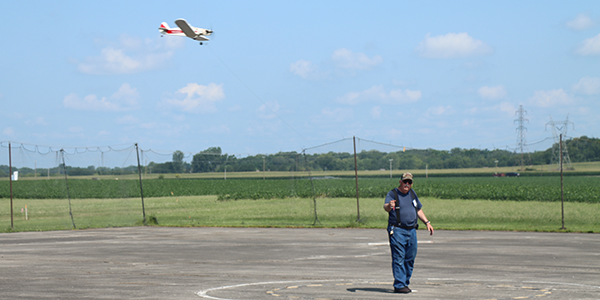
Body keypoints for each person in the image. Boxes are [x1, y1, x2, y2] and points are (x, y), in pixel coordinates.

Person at [383, 172, 434, 293]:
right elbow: (386, 207)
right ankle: (400, 285)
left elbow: (418, 210)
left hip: (411, 230)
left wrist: (427, 222)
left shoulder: (412, 194)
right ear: (400, 182)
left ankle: (405, 282)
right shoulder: (393, 193)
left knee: (410, 257)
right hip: (397, 230)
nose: (407, 184)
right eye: (405, 181)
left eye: (409, 182)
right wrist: (390, 206)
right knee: (399, 257)